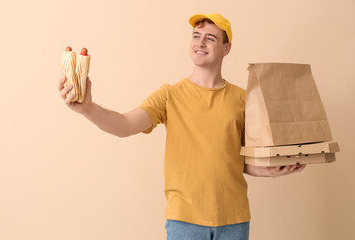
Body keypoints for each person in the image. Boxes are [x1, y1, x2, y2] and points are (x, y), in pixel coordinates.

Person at [58, 13, 306, 240]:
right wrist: (87, 108)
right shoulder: (169, 95)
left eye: (210, 38)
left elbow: (236, 159)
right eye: (196, 36)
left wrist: (268, 169)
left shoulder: (243, 99)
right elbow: (124, 125)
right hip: (184, 221)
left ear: (226, 48)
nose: (200, 43)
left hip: (234, 220)